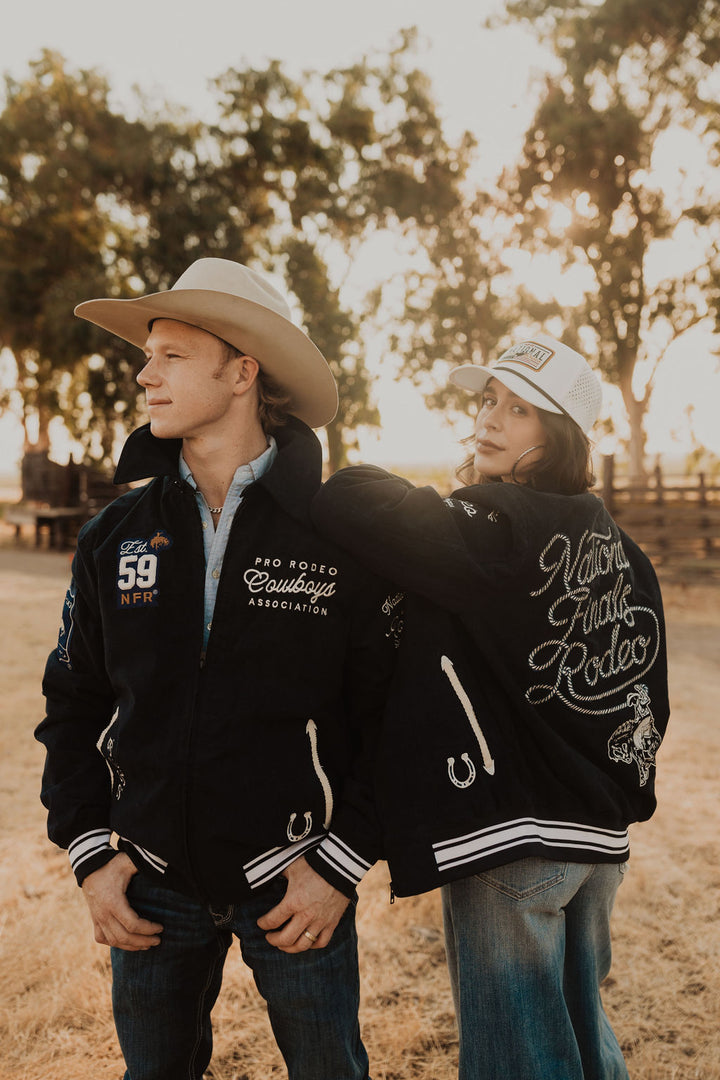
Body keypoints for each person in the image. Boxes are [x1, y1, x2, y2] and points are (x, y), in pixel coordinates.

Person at [36, 257, 401, 1080]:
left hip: (293, 878)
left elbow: (388, 718)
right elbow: (72, 703)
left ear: (242, 372)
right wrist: (92, 853)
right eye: (146, 355)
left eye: (169, 354)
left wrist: (341, 865)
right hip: (150, 882)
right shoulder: (114, 536)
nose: (143, 373)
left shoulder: (338, 535)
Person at [311, 332, 669, 1080]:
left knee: (519, 1054)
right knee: (580, 1026)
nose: (492, 420)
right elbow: (646, 694)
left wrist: (445, 497)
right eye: (489, 401)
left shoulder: (498, 525)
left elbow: (349, 500)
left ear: (560, 435)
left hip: (514, 838)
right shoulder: (624, 550)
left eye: (521, 411)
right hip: (600, 845)